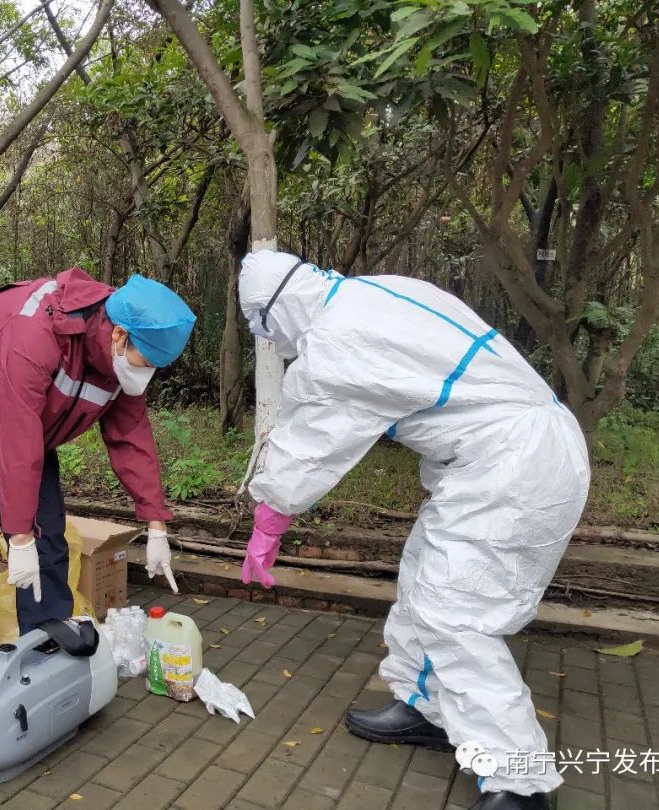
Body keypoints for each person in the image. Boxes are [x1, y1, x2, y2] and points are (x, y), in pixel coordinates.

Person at [238, 250, 589, 810]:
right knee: (425, 578)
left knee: (456, 616)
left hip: (512, 466)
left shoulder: (336, 341)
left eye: (264, 328)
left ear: (274, 309)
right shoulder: (375, 291)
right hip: (504, 457)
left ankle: (519, 785)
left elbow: (309, 444)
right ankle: (425, 707)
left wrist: (269, 522)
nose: (272, 341)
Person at [0, 268, 194, 741]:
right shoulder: (35, 329)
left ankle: (44, 656)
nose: (147, 373)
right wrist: (17, 538)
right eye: (146, 361)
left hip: (24, 428)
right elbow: (18, 436)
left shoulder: (118, 361)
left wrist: (156, 523)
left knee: (49, 541)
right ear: (119, 335)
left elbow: (132, 438)